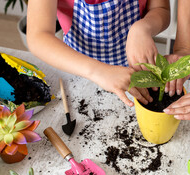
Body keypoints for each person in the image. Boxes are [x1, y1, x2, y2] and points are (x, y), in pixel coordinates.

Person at [26, 0, 170, 107]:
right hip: (78, 71)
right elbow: (38, 36)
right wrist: (99, 71)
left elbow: (161, 8)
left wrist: (142, 28)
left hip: (136, 73)